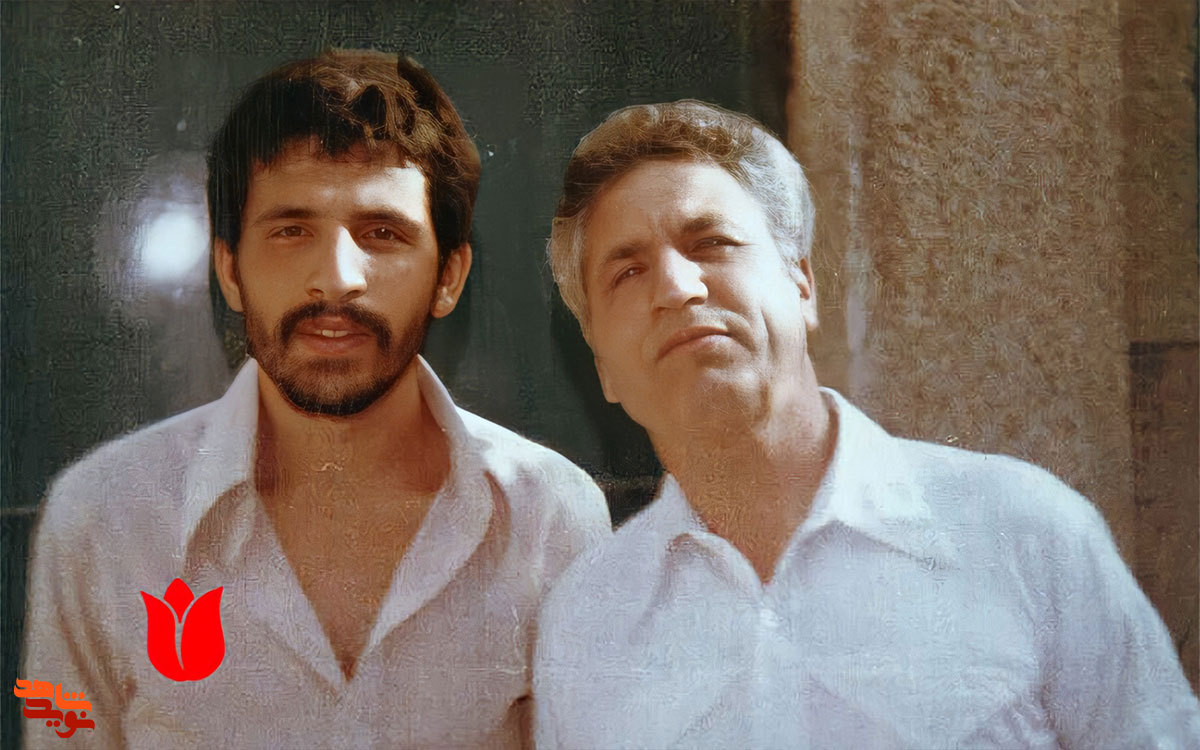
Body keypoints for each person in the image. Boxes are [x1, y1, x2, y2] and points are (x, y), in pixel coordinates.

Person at [533, 99, 1200, 748]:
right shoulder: (586, 625)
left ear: (802, 284)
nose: (678, 287)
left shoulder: (1025, 533)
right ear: (602, 368)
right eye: (628, 272)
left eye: (712, 243)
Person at [21, 49, 610, 748]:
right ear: (230, 271)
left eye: (381, 233)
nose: (335, 278)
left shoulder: (549, 515)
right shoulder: (102, 519)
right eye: (291, 230)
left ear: (449, 277)